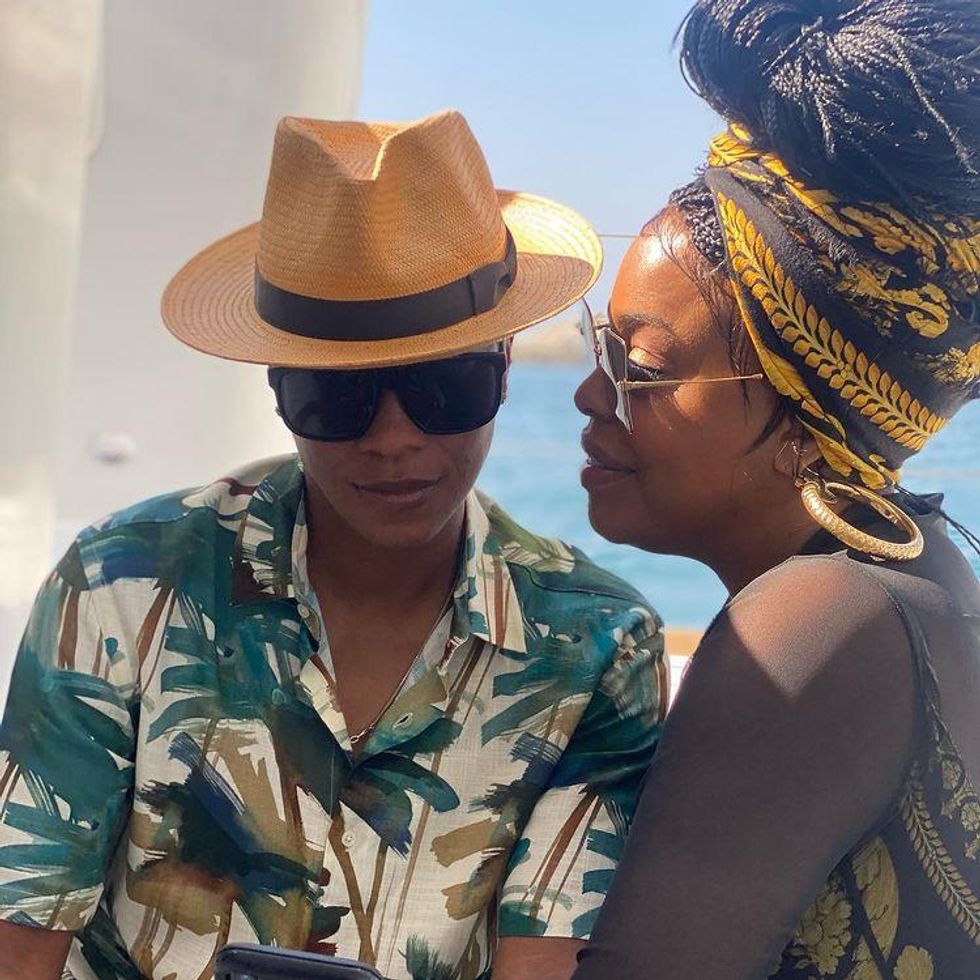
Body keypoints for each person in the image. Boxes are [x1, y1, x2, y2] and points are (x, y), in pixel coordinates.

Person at [0, 111, 667, 980]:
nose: (393, 440)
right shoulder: (116, 588)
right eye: (337, 397)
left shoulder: (601, 648)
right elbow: (20, 941)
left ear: (504, 364)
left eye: (444, 385)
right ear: (276, 386)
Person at [571, 1, 980, 977]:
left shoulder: (807, 623)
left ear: (803, 424)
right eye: (599, 346)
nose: (590, 393)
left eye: (639, 368)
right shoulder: (915, 572)